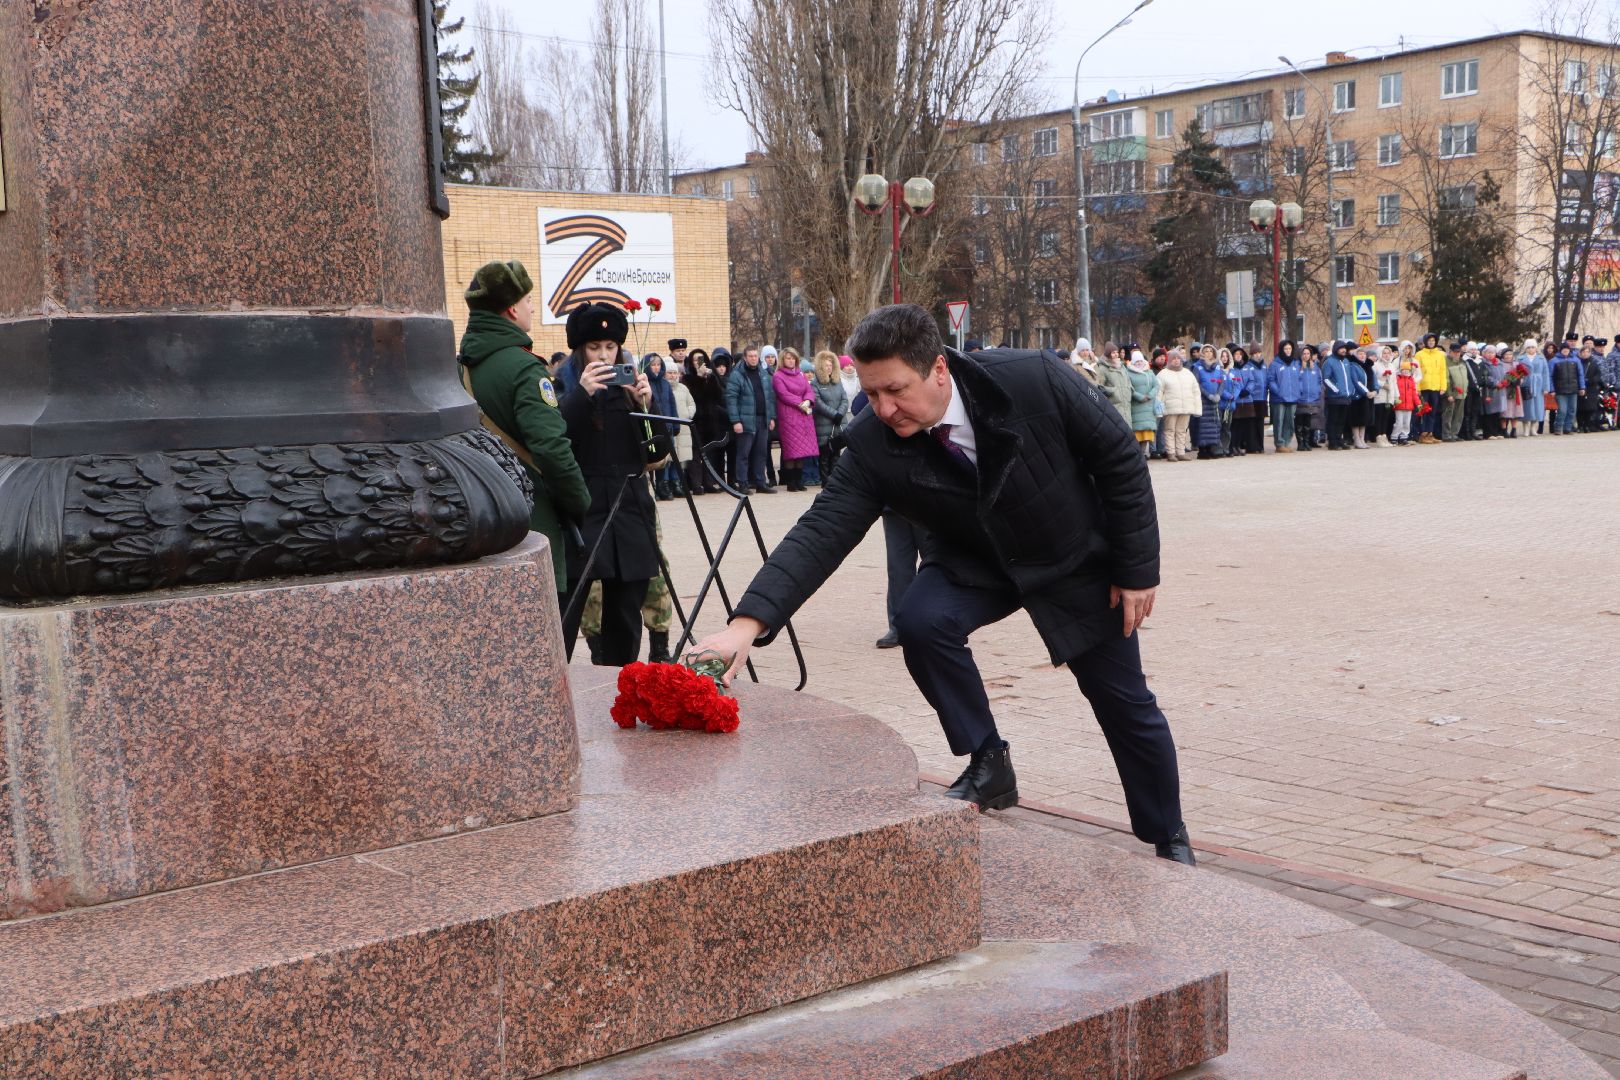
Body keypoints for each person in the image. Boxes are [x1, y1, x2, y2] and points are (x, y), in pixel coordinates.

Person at [692, 304, 1194, 865]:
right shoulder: (874, 443)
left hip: (1070, 554)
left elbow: (1120, 458)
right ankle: (988, 761)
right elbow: (821, 531)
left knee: (1123, 702)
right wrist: (744, 626)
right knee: (921, 621)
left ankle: (1167, 833)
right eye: (870, 391)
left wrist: (1136, 570)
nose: (883, 408)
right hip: (975, 559)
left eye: (895, 390)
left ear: (937, 369)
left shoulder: (1031, 378)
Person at [457, 260, 591, 610]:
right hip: (531, 519)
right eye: (529, 301)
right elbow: (550, 448)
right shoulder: (524, 368)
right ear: (513, 308)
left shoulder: (460, 366)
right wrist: (579, 501)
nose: (532, 308)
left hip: (477, 517)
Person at [556, 301, 660, 665]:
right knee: (566, 614)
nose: (603, 355)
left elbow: (658, 452)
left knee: (626, 617)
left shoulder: (628, 390)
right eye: (593, 347)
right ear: (579, 350)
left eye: (610, 347)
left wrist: (647, 404)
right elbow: (554, 440)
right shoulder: (562, 389)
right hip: (583, 515)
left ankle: (622, 691)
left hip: (630, 511)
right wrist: (581, 397)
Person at [725, 346, 778, 491]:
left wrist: (772, 417)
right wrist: (736, 421)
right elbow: (731, 399)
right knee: (744, 454)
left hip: (763, 419)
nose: (754, 359)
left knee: (761, 453)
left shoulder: (763, 373)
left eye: (756, 356)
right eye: (751, 356)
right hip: (745, 420)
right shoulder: (737, 375)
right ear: (745, 357)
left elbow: (769, 397)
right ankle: (742, 483)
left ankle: (760, 482)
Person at [772, 347, 818, 492]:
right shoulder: (778, 376)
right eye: (788, 358)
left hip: (804, 415)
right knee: (791, 451)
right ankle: (791, 482)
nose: (791, 361)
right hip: (789, 416)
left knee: (802, 450)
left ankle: (799, 480)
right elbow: (783, 394)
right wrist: (800, 403)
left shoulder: (800, 374)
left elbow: (809, 391)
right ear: (783, 360)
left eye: (793, 358)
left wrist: (808, 400)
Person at [682, 348, 727, 493]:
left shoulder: (711, 376)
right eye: (695, 360)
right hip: (696, 420)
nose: (698, 363)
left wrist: (710, 378)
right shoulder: (688, 379)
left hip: (710, 420)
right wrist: (700, 379)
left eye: (701, 359)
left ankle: (709, 482)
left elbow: (719, 396)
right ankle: (696, 484)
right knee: (695, 454)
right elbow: (694, 397)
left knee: (709, 453)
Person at [642, 352, 683, 500]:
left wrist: (676, 423)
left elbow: (672, 405)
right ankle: (654, 487)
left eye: (658, 364)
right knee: (654, 459)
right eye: (653, 365)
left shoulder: (665, 384)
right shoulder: (646, 383)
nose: (656, 367)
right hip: (653, 428)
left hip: (668, 427)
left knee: (667, 458)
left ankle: (663, 484)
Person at [810, 350, 850, 481]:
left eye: (831, 365)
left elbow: (845, 399)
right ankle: (825, 481)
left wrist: (840, 413)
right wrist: (834, 414)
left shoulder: (837, 382)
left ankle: (835, 481)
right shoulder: (815, 384)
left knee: (836, 454)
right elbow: (818, 403)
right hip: (824, 424)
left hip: (837, 424)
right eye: (826, 365)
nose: (829, 368)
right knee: (825, 455)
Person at [1156, 350, 1200, 461]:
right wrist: (1158, 409)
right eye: (1173, 358)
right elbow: (1158, 392)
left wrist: (1197, 407)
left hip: (1186, 407)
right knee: (1169, 430)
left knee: (1182, 430)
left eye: (1178, 358)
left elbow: (1195, 391)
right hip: (1170, 407)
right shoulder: (1163, 374)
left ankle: (1180, 452)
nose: (1176, 361)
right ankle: (1170, 452)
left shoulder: (1188, 373)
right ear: (1169, 360)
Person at [1321, 341, 1362, 450]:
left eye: (1345, 348)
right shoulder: (1329, 362)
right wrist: (1336, 390)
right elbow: (1326, 378)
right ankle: (1332, 441)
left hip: (1346, 396)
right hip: (1334, 397)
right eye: (1341, 348)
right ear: (1336, 349)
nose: (1344, 350)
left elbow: (1348, 378)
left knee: (1342, 420)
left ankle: (1339, 440)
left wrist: (1351, 390)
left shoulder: (1346, 361)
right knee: (1333, 419)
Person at [1266, 340, 1302, 453]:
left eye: (1289, 349)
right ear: (1282, 350)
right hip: (1279, 398)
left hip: (1293, 397)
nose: (1288, 351)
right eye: (1285, 349)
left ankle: (1286, 442)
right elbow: (1271, 380)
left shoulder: (1296, 363)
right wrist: (1278, 392)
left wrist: (1299, 390)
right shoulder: (1275, 364)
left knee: (1290, 421)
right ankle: (1279, 444)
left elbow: (1299, 379)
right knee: (1279, 421)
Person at [1192, 344, 1226, 459]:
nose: (1208, 353)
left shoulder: (1218, 367)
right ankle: (1203, 450)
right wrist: (1208, 395)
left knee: (1214, 425)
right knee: (1203, 426)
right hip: (1203, 401)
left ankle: (1213, 448)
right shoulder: (1198, 367)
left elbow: (1222, 382)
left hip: (1215, 401)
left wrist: (1218, 395)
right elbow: (1197, 384)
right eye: (1206, 351)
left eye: (1210, 351)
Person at [1126, 349, 1161, 458]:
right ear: (1133, 362)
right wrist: (1140, 397)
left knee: (1146, 432)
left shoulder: (1149, 372)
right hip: (1136, 406)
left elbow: (1156, 385)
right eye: (1137, 362)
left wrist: (1150, 395)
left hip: (1148, 407)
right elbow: (1129, 388)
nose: (1139, 363)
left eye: (1141, 361)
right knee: (1137, 432)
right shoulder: (1128, 373)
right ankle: (1138, 454)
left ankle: (1144, 452)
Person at [1232, 346, 1267, 454]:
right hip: (1238, 399)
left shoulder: (1246, 367)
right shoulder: (1232, 368)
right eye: (1236, 354)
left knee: (1247, 424)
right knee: (1237, 424)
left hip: (1248, 399)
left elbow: (1252, 380)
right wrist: (1239, 392)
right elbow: (1232, 382)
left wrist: (1248, 390)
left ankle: (1253, 446)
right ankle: (1236, 446)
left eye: (1240, 354)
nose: (1238, 356)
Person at [1415, 333, 1448, 443]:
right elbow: (1416, 372)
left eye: (1433, 341)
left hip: (1435, 387)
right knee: (1424, 411)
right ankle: (1423, 434)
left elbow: (1443, 371)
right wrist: (1418, 388)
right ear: (1425, 342)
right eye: (1429, 341)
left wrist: (1443, 386)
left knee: (1433, 412)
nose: (1431, 343)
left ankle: (1430, 433)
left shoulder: (1439, 355)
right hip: (1424, 387)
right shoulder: (1419, 355)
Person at [1548, 338, 1586, 434]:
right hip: (1560, 390)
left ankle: (1567, 428)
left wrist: (1582, 387)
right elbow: (1550, 376)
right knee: (1562, 410)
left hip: (1573, 389)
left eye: (1567, 349)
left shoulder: (1576, 360)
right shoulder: (1553, 361)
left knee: (1572, 410)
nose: (1565, 351)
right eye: (1564, 349)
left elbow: (1580, 375)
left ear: (1569, 350)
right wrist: (1552, 389)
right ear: (1561, 350)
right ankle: (1558, 428)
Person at [1370, 344, 1400, 445]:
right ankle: (1378, 436)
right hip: (1380, 395)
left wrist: (1396, 395)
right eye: (1384, 353)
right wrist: (1383, 384)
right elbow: (1373, 379)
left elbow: (1394, 381)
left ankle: (1384, 435)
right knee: (1379, 416)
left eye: (1388, 353)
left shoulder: (1391, 366)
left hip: (1389, 396)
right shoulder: (1375, 365)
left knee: (1386, 417)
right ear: (1380, 354)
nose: (1386, 355)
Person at [1392, 346, 1422, 445]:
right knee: (1399, 422)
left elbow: (1414, 393)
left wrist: (1418, 403)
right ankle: (1395, 436)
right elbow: (1395, 390)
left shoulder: (1411, 381)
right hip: (1399, 405)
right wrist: (1394, 400)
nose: (1405, 372)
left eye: (1407, 370)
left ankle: (1404, 436)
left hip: (1409, 405)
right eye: (1403, 370)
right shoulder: (1397, 379)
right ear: (1400, 370)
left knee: (1407, 422)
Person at [1295, 344, 1323, 451]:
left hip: (1312, 398)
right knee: (1299, 422)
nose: (1306, 356)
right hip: (1300, 398)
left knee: (1308, 422)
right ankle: (1300, 443)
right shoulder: (1297, 366)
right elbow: (1295, 380)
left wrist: (1317, 391)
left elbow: (1319, 381)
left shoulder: (1315, 367)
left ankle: (1306, 442)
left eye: (1308, 354)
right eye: (1304, 354)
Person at [1099, 343, 1133, 427]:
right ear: (1108, 354)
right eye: (1113, 352)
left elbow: (1128, 382)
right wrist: (1114, 391)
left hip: (1126, 406)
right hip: (1114, 406)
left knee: (1128, 431)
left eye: (1116, 352)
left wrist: (1129, 391)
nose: (1116, 354)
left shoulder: (1122, 367)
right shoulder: (1103, 369)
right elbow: (1100, 387)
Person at [1442, 340, 1470, 442]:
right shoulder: (1446, 362)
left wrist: (1466, 390)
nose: (1457, 354)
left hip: (1462, 393)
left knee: (1459, 415)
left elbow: (1465, 377)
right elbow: (1446, 379)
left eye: (1458, 352)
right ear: (1450, 351)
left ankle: (1454, 434)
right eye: (1454, 352)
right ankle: (1446, 435)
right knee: (1448, 415)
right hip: (1451, 393)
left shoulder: (1463, 362)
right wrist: (1448, 393)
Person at [1524, 340, 1550, 436]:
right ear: (1526, 349)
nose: (1531, 349)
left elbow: (1545, 373)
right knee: (1527, 406)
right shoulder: (1521, 358)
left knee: (1537, 406)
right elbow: (1517, 371)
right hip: (1526, 384)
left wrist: (1546, 387)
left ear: (1536, 348)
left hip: (1538, 384)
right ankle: (1526, 426)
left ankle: (1533, 427)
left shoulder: (1541, 359)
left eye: (1533, 347)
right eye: (1529, 347)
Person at [1481, 345, 1507, 438]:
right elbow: (1484, 376)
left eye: (1492, 353)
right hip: (1490, 391)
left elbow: (1504, 375)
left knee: (1497, 413)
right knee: (1489, 412)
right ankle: (1488, 433)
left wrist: (1505, 381)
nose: (1491, 355)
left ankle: (1496, 432)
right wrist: (1495, 383)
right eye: (1488, 352)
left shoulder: (1500, 363)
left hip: (1500, 391)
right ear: (1484, 353)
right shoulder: (1483, 364)